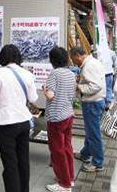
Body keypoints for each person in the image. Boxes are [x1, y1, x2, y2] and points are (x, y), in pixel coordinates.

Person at [0, 44, 38, 192]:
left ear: (2, 57)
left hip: (6, 123)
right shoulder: (27, 74)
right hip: (24, 122)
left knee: (10, 163)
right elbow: (33, 97)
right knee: (23, 160)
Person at [43, 47, 76, 192]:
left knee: (57, 150)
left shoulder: (54, 74)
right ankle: (70, 178)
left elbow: (50, 95)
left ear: (52, 60)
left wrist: (44, 89)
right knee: (67, 147)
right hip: (68, 114)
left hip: (56, 117)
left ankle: (64, 184)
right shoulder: (70, 73)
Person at [70, 47, 106, 172]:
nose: (74, 62)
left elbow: (96, 85)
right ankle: (85, 154)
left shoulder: (89, 66)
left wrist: (79, 87)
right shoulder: (93, 62)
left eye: (74, 59)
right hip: (96, 102)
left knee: (94, 134)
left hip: (92, 103)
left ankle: (98, 163)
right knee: (91, 131)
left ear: (78, 55)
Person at [96, 45, 117, 110]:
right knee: (108, 88)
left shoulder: (98, 52)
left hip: (103, 73)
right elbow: (115, 63)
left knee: (103, 88)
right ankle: (107, 104)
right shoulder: (111, 52)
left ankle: (105, 104)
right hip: (109, 73)